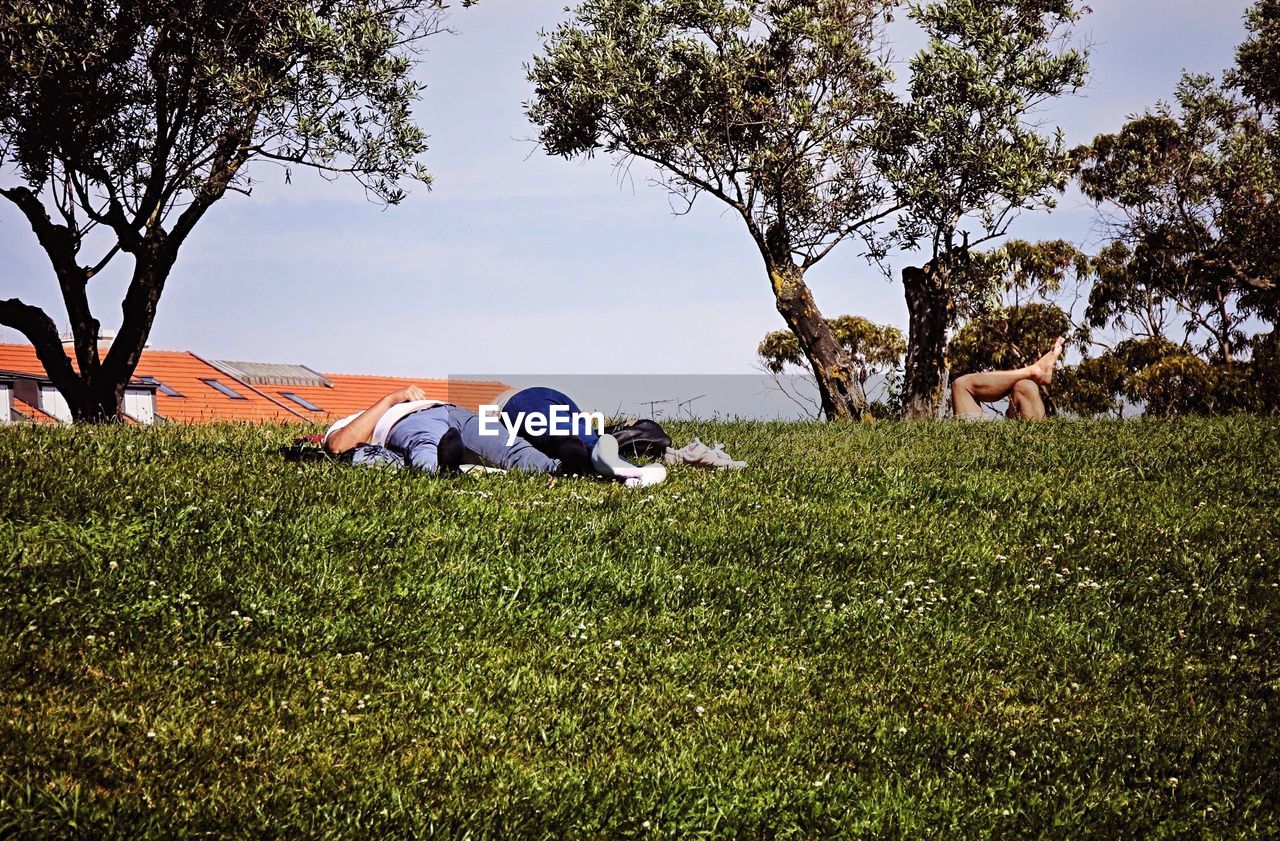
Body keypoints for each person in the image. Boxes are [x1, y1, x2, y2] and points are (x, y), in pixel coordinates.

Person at [324, 385, 667, 486]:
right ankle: (443, 470)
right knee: (424, 454)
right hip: (408, 426)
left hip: (451, 410)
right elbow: (338, 445)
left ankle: (565, 466)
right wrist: (390, 399)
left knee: (512, 449)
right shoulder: (354, 421)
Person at [950, 337, 1065, 420]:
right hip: (977, 446)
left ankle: (1032, 371)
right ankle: (1032, 371)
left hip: (1024, 445)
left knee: (1026, 387)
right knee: (961, 385)